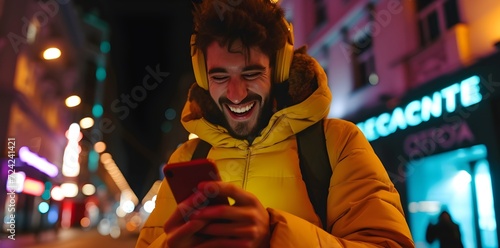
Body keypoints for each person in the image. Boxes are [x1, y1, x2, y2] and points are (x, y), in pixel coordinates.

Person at [136, 0, 415, 247]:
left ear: (278, 70)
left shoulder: (338, 143)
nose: (236, 94)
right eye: (220, 77)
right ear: (202, 76)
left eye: (251, 73)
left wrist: (275, 235)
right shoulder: (186, 158)